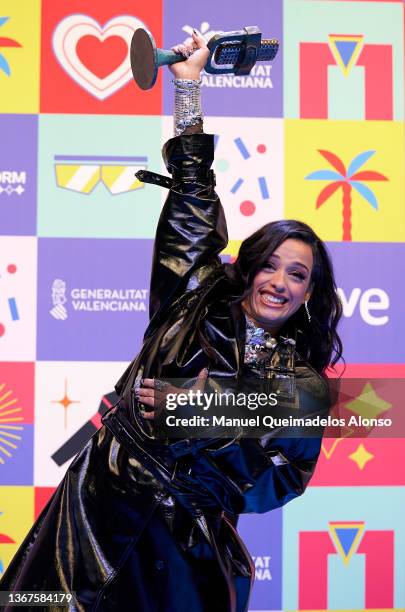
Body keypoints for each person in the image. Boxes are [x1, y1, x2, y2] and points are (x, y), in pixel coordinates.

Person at [0, 31, 343, 612]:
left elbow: (274, 480)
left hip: (186, 550)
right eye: (271, 265)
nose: (280, 282)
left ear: (311, 293)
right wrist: (188, 88)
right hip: (92, 515)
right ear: (250, 267)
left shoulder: (302, 385)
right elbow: (192, 194)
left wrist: (199, 414)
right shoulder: (194, 297)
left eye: (298, 274)